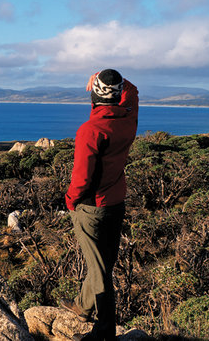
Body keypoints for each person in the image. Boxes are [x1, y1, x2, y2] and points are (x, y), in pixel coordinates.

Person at [60, 69, 139, 341]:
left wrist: (70, 201)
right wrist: (113, 80)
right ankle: (83, 306)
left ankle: (105, 330)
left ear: (93, 95)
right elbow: (134, 93)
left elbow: (81, 178)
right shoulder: (127, 119)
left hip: (91, 208)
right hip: (117, 202)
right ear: (118, 96)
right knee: (104, 261)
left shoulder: (90, 130)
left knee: (98, 269)